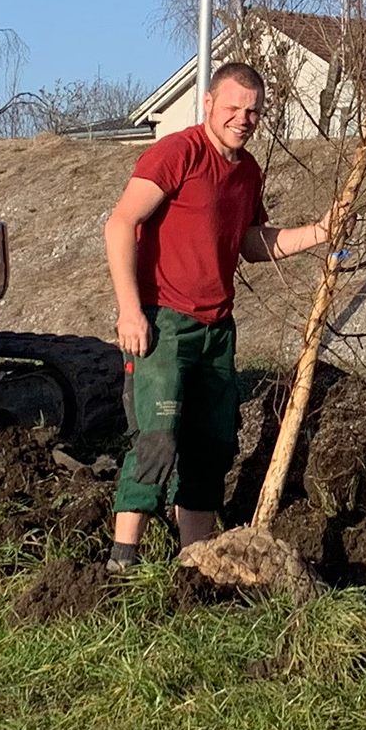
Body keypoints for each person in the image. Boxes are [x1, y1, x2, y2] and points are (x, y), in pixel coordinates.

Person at [102, 61, 329, 571]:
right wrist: (130, 310)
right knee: (158, 439)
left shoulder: (247, 171)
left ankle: (194, 564)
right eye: (232, 107)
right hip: (162, 323)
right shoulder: (178, 152)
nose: (242, 119)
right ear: (208, 103)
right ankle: (122, 562)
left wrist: (321, 230)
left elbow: (252, 242)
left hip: (216, 330)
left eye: (252, 111)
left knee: (212, 445)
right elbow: (120, 223)